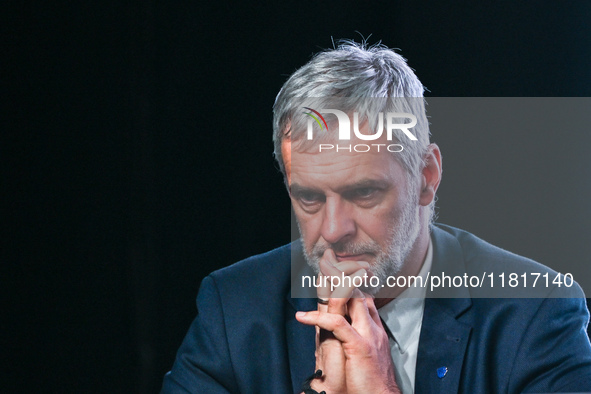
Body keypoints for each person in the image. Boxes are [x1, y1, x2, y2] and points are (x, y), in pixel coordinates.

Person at [161, 41, 591, 393]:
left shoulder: (536, 311)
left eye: (363, 193)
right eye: (309, 198)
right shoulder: (235, 306)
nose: (332, 231)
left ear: (426, 176)